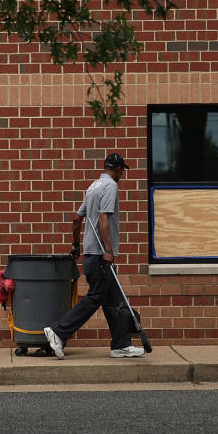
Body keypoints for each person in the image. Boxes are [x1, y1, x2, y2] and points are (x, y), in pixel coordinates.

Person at [43, 152, 145, 359]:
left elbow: (76, 219)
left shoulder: (92, 187)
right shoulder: (111, 186)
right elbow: (103, 218)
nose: (122, 175)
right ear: (117, 169)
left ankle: (121, 344)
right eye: (122, 171)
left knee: (113, 300)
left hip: (91, 254)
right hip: (100, 256)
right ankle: (58, 331)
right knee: (96, 297)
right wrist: (108, 251)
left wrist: (75, 245)